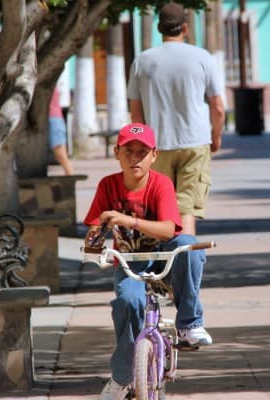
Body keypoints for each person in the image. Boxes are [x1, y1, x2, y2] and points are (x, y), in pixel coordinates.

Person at [83, 122, 212, 400]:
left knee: (188, 245)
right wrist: (94, 243)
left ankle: (189, 322)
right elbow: (94, 228)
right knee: (128, 303)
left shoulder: (160, 183)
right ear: (117, 153)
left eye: (142, 152)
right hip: (130, 264)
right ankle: (122, 377)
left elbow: (169, 229)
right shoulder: (108, 185)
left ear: (154, 155)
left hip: (164, 260)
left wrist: (127, 220)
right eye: (128, 151)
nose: (134, 158)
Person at [127, 1, 225, 236]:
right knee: (186, 208)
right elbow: (218, 107)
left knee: (161, 208)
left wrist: (140, 149)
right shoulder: (202, 57)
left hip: (156, 145)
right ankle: (185, 266)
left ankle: (164, 268)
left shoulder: (142, 61)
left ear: (159, 29)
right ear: (185, 28)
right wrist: (216, 136)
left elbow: (136, 114)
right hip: (195, 143)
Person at [49, 86, 74, 175]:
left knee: (61, 155)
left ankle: (70, 178)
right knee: (61, 155)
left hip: (54, 119)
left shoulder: (49, 84)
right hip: (54, 119)